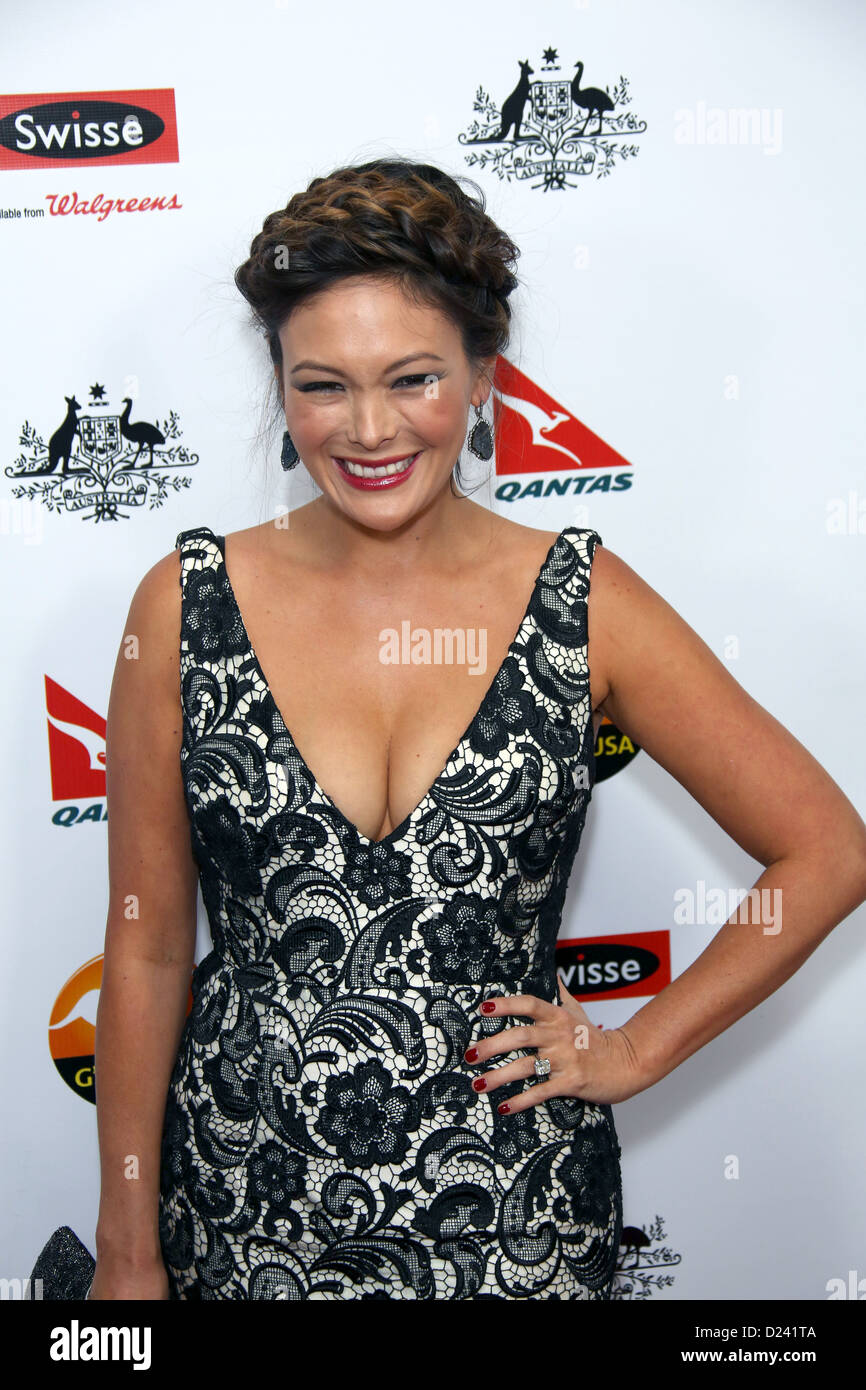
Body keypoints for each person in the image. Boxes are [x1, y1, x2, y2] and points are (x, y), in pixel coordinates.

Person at [89, 158, 866, 1301]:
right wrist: (125, 1250)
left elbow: (827, 849)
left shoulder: (583, 603)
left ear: (481, 376)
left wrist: (635, 1047)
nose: (367, 429)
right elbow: (149, 951)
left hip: (515, 1221)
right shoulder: (186, 601)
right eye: (321, 386)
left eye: (410, 379)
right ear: (278, 387)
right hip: (239, 1208)